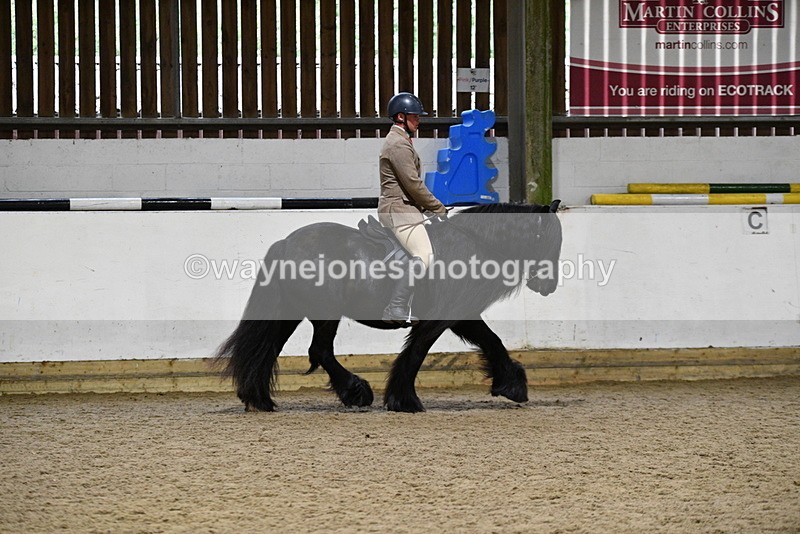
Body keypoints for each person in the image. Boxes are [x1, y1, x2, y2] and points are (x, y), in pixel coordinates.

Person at [378, 92, 448, 324]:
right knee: (424, 255)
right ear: (401, 117)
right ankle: (395, 307)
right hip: (399, 210)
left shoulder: (401, 141)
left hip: (406, 208)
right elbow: (413, 184)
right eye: (415, 117)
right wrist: (438, 208)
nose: (419, 121)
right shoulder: (397, 144)